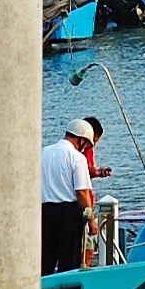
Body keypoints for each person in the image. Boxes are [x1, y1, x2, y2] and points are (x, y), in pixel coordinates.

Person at [42, 117, 102, 274]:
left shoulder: (43, 153)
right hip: (68, 214)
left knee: (45, 261)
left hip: (43, 212)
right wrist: (91, 221)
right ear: (81, 139)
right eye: (87, 144)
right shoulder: (77, 158)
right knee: (69, 263)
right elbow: (82, 193)